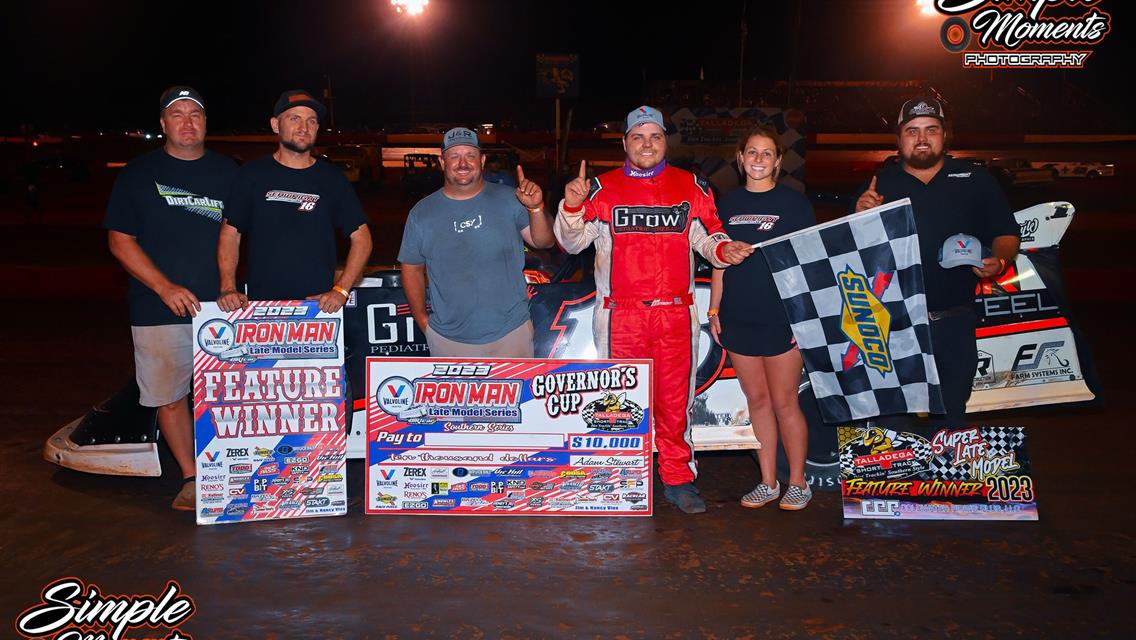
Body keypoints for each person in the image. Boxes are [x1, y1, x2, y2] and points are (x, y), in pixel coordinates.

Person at [556, 105, 754, 514]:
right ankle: (619, 477)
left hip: (675, 314)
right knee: (617, 400)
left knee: (673, 401)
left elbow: (708, 237)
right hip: (619, 316)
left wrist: (724, 249)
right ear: (625, 143)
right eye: (638, 137)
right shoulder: (600, 188)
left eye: (655, 136)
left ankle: (678, 479)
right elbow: (571, 243)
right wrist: (572, 207)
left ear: (666, 141)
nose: (647, 144)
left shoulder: (691, 186)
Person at [103, 86, 238, 510]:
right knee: (170, 396)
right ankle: (193, 477)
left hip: (224, 305)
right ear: (162, 124)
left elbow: (257, 231)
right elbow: (120, 240)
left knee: (229, 393)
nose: (186, 122)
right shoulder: (137, 174)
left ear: (205, 123)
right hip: (157, 307)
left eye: (194, 114)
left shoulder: (231, 173)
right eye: (176, 115)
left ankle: (233, 468)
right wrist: (163, 287)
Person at [851, 96, 1019, 429]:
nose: (922, 138)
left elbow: (1006, 232)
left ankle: (943, 480)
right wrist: (859, 217)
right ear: (899, 140)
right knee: (894, 418)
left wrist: (999, 261)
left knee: (952, 412)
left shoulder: (974, 178)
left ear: (946, 135)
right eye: (912, 131)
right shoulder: (879, 185)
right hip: (893, 322)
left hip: (954, 320)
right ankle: (901, 480)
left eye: (932, 129)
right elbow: (851, 257)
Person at [708, 125, 816, 511]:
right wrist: (715, 309)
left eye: (766, 153)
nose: (757, 159)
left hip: (781, 319)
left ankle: (798, 483)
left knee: (785, 402)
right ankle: (768, 481)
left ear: (778, 160)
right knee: (756, 400)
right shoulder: (725, 206)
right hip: (738, 317)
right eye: (751, 152)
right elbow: (718, 260)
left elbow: (808, 265)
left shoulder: (795, 204)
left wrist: (802, 319)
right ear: (740, 159)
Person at [398, 127, 554, 357]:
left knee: (518, 395)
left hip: (511, 335)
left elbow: (544, 242)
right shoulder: (422, 213)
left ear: (481, 160)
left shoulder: (510, 199)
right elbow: (411, 269)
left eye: (470, 155)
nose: (463, 163)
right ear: (443, 163)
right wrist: (424, 322)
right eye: (454, 156)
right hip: (449, 341)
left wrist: (535, 208)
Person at [218, 90, 371, 311]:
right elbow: (230, 233)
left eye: (311, 121)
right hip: (262, 308)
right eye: (294, 119)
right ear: (275, 125)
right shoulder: (251, 175)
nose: (304, 127)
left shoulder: (332, 178)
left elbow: (362, 238)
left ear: (317, 128)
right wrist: (228, 287)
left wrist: (341, 290)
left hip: (317, 310)